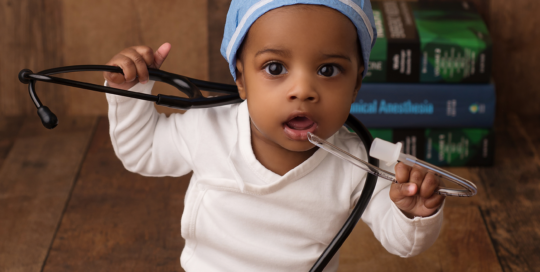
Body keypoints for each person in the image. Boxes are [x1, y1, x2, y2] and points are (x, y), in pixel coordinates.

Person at [103, 1, 445, 271]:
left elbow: (402, 241)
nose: (303, 90)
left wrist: (413, 213)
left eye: (328, 70)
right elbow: (142, 152)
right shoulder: (208, 128)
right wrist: (131, 91)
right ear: (240, 78)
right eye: (275, 68)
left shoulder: (358, 164)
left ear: (356, 84)